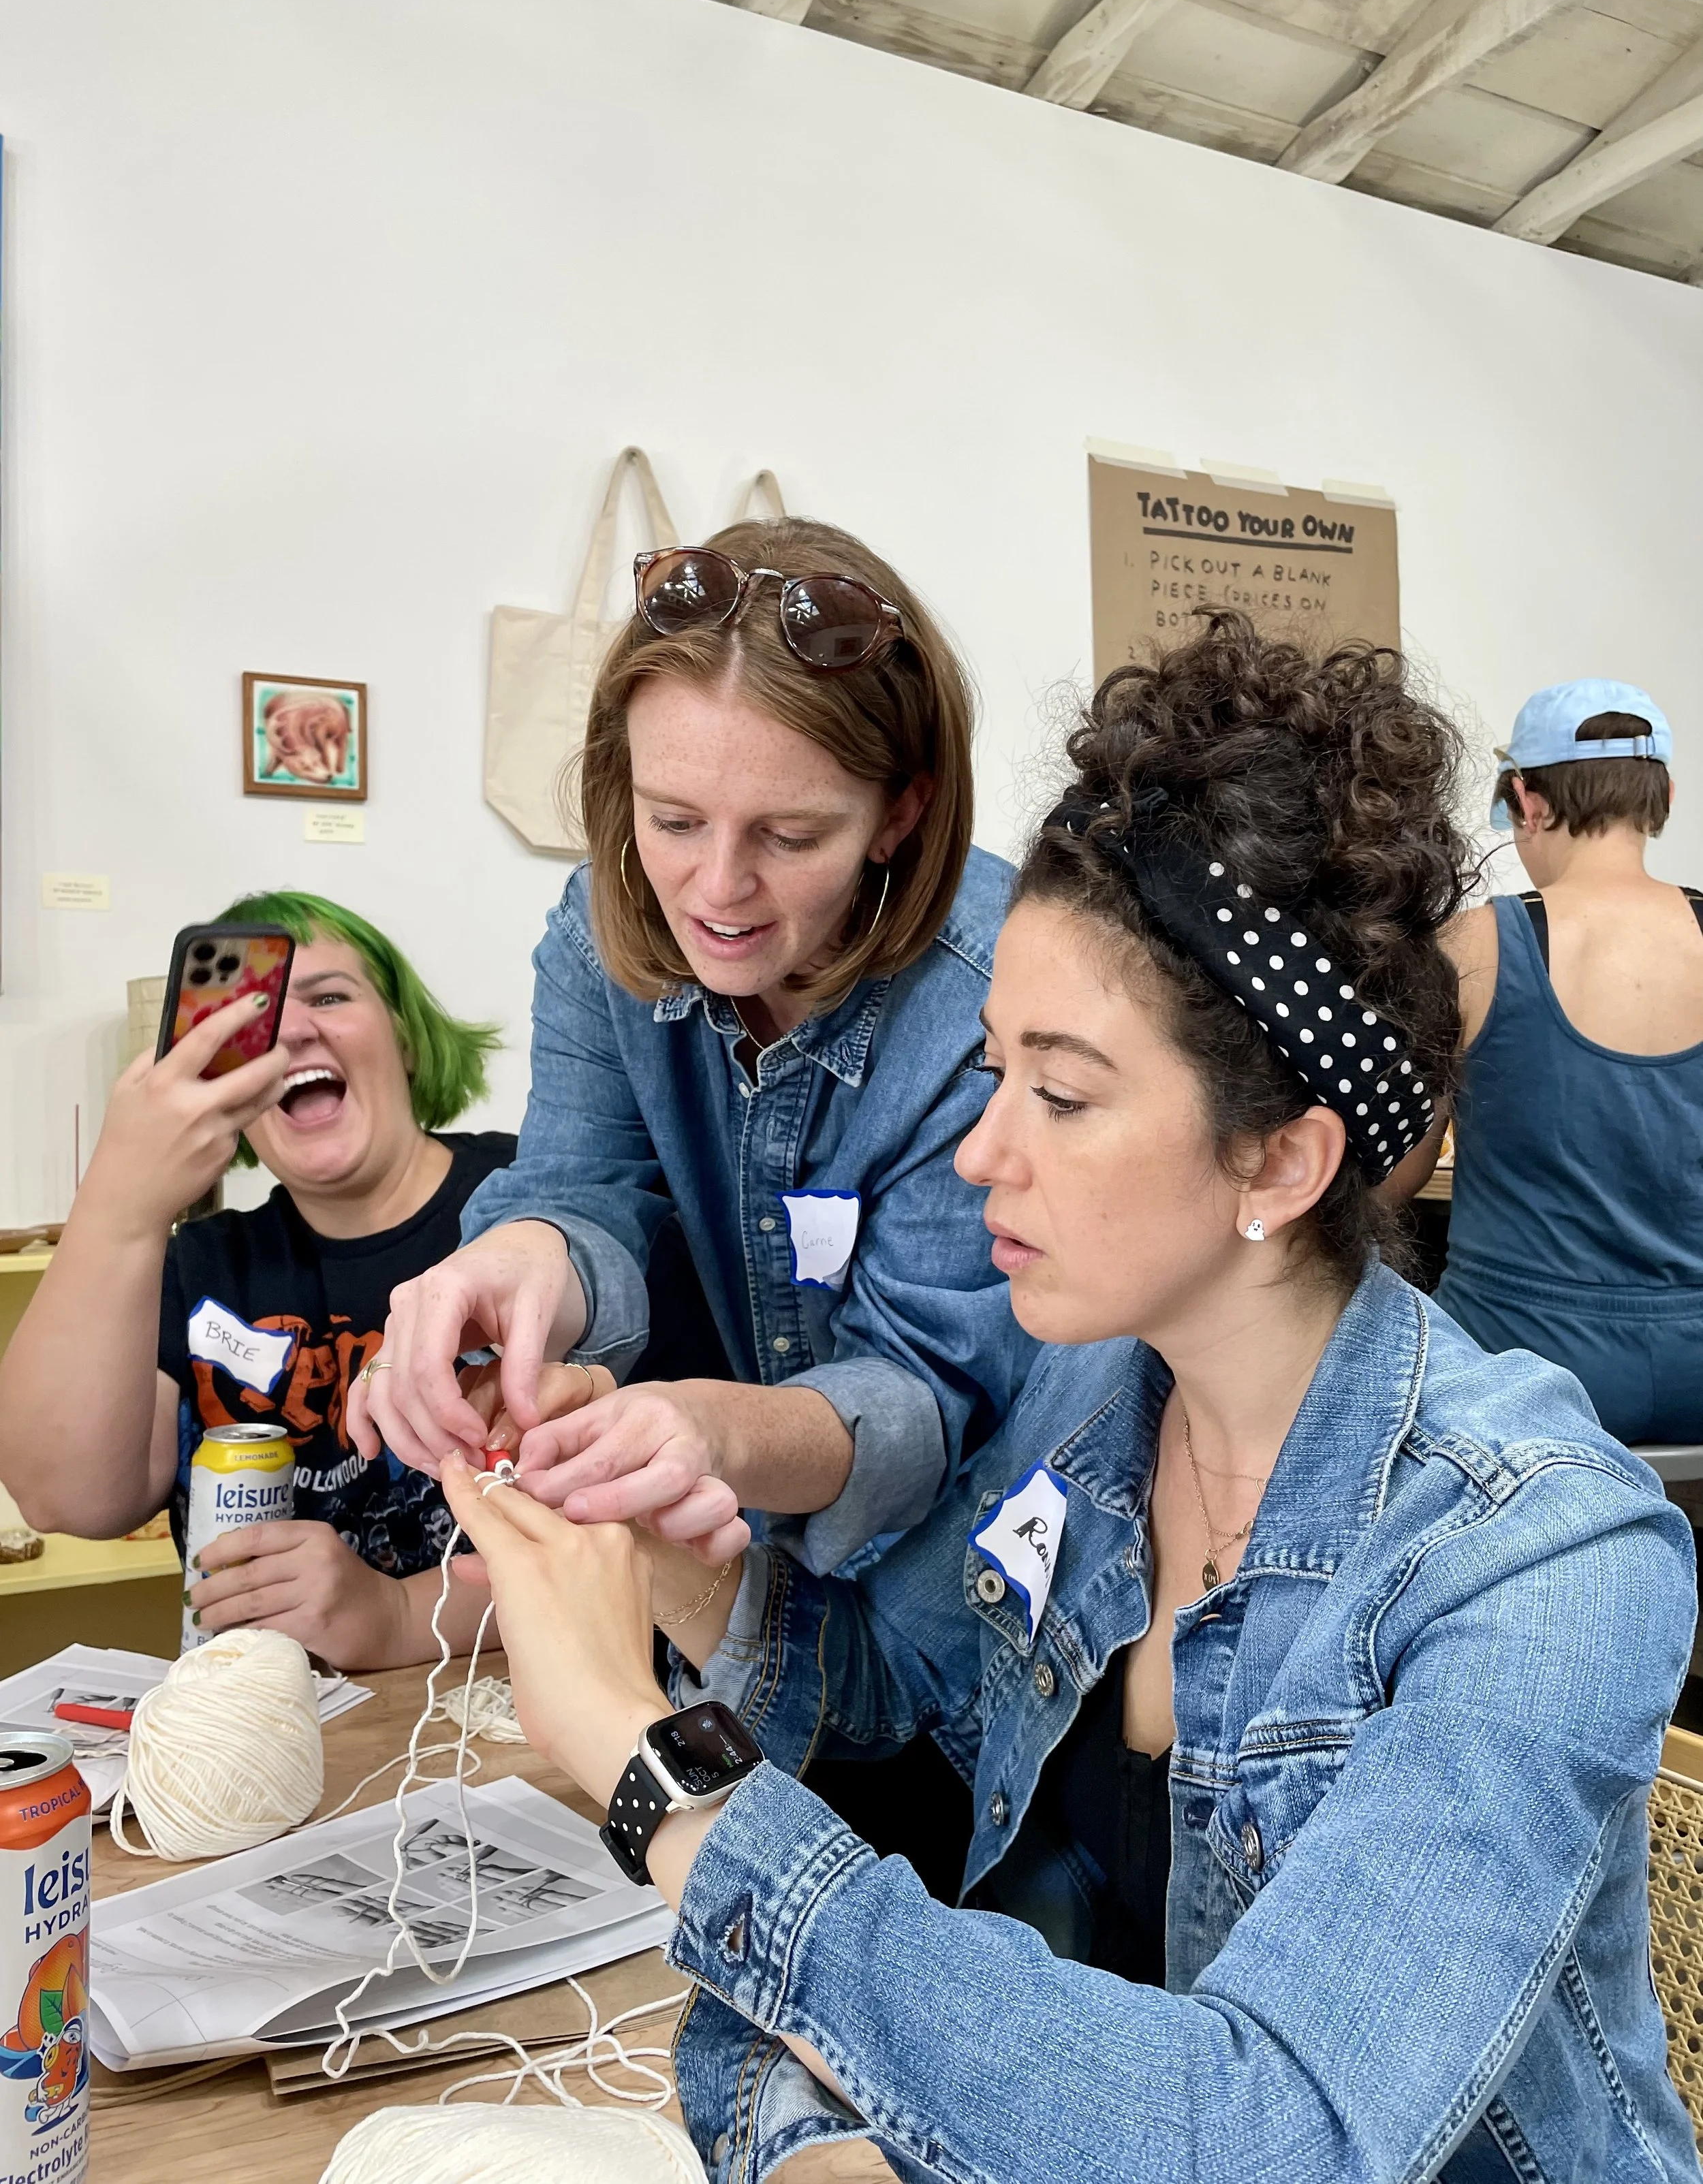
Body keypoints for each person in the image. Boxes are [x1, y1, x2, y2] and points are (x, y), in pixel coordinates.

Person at [439, 614, 1698, 2182]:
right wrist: (656, 1543)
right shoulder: (1093, 1394)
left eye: (1065, 1092)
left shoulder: (1536, 1556)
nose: (983, 1156)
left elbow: (1272, 2132)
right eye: (991, 1073)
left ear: (1281, 1159)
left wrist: (660, 1773)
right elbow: (897, 1697)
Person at [351, 516, 1037, 1577]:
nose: (718, 892)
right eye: (673, 821)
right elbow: (585, 1189)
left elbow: (929, 1393)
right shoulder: (598, 933)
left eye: (791, 836)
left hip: (981, 1578)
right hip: (744, 1595)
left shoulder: (996, 990)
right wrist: (517, 1264)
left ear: (901, 814)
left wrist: (715, 1433)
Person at [0, 891, 524, 1670]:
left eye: (330, 996)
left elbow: (635, 1533)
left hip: (514, 1730)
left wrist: (394, 1614)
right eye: (256, 1018)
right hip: (275, 1731)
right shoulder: (201, 1263)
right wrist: (121, 1204)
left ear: (406, 1039)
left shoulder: (532, 1205)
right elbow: (67, 1497)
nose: (293, 1029)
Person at [1396, 678, 1703, 1445]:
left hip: (1520, 1369)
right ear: (1661, 793)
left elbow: (1399, 1170)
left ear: (1526, 802)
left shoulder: (1474, 945)